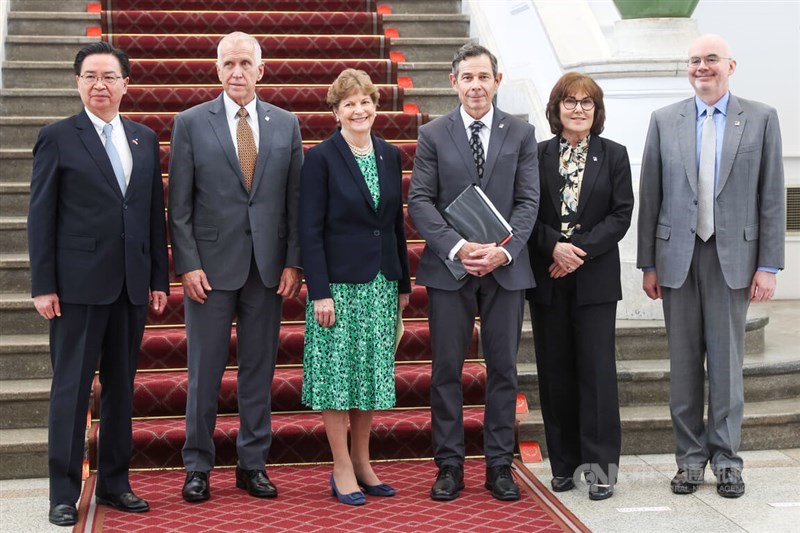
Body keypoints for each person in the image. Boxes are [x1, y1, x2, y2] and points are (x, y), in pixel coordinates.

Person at [27, 42, 169, 526]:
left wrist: (157, 279)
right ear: (77, 83)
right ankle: (63, 492)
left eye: (109, 77)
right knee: (71, 390)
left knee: (121, 391)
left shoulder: (144, 139)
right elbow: (40, 216)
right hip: (76, 289)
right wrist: (43, 284)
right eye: (90, 76)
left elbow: (152, 215)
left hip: (130, 288)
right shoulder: (57, 137)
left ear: (126, 84)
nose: (100, 85)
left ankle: (114, 482)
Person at [638, 34, 785, 499]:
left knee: (726, 365)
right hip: (676, 258)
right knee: (683, 369)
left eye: (711, 60)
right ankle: (689, 461)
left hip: (734, 259)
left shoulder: (761, 118)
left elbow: (772, 196)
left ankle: (727, 461)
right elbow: (651, 198)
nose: (702, 67)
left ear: (731, 65)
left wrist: (769, 265)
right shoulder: (664, 121)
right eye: (695, 61)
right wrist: (647, 264)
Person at [168, 31, 303, 502]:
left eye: (246, 63)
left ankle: (252, 464)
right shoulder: (189, 123)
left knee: (257, 371)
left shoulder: (286, 123)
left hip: (267, 269)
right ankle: (197, 466)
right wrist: (187, 264)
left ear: (260, 70)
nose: (237, 72)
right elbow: (178, 204)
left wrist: (293, 262)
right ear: (217, 69)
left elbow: (295, 201)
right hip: (209, 269)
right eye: (229, 64)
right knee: (204, 371)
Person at [408, 43, 539, 502]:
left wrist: (503, 252)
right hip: (450, 269)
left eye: (484, 77)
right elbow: (420, 201)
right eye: (467, 77)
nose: (476, 85)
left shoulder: (521, 133)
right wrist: (460, 247)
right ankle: (449, 466)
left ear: (497, 81)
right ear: (454, 82)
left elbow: (528, 202)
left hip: (506, 270)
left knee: (503, 369)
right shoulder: (433, 134)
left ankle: (499, 466)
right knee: (447, 369)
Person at [299, 69, 412, 506]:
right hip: (339, 289)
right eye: (349, 103)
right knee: (337, 379)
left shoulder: (388, 154)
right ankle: (341, 466)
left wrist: (402, 279)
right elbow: (309, 230)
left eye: (365, 101)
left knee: (369, 378)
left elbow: (395, 225)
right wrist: (319, 291)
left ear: (375, 106)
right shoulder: (321, 158)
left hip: (380, 284)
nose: (358, 109)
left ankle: (364, 463)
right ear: (336, 112)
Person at [527, 72, 633, 501]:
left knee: (596, 374)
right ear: (556, 109)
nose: (578, 109)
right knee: (556, 375)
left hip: (593, 280)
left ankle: (601, 468)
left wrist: (575, 251)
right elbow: (525, 213)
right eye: (569, 101)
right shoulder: (535, 156)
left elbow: (621, 215)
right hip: (549, 278)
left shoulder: (614, 155)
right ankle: (564, 465)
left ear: (597, 110)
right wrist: (555, 246)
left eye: (587, 102)